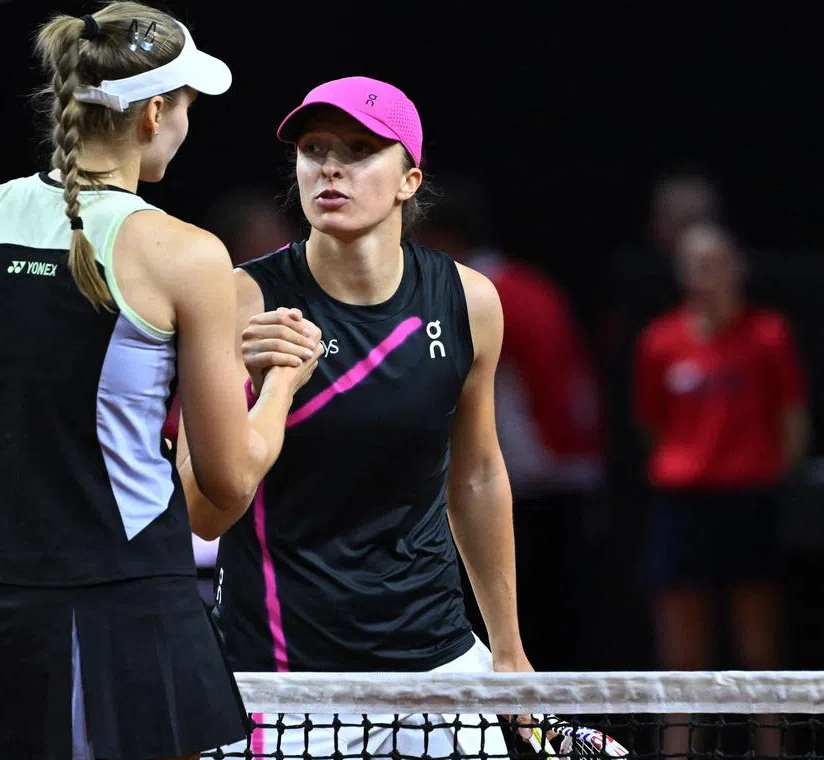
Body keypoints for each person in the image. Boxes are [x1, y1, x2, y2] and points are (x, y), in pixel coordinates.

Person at [0, 5, 318, 760]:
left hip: (3, 616)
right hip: (137, 613)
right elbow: (229, 480)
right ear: (152, 114)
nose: (186, 124)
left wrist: (40, 466)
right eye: (185, 108)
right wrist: (280, 382)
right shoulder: (186, 254)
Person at [176, 76, 532, 758]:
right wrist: (256, 392)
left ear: (408, 180)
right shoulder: (238, 303)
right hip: (281, 679)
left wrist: (509, 649)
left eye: (360, 149)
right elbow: (202, 515)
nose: (330, 166)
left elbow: (479, 475)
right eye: (314, 148)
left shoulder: (469, 302)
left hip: (438, 664)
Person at [416, 178, 606, 671]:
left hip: (527, 488)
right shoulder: (531, 285)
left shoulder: (481, 295)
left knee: (533, 632)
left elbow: (548, 390)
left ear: (444, 237)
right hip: (555, 481)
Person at [634, 222, 808, 758]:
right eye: (695, 263)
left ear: (739, 268)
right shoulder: (660, 340)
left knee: (761, 652)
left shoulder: (770, 334)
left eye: (717, 262)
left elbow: (792, 419)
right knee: (682, 657)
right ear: (682, 272)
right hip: (683, 507)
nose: (706, 274)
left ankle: (771, 750)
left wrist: (772, 475)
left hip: (749, 503)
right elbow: (651, 424)